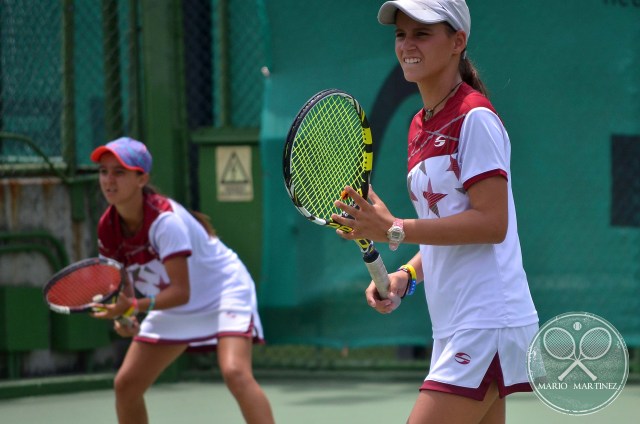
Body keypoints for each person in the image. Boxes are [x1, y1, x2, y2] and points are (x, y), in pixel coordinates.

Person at [331, 1, 539, 423]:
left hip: (486, 320)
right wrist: (405, 276)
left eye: (422, 33)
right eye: (400, 34)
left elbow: (492, 223)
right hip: (454, 323)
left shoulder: (474, 118)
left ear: (457, 42)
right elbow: (447, 230)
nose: (407, 44)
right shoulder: (420, 125)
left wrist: (393, 229)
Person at [89, 137, 274, 424]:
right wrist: (125, 317)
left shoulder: (165, 222)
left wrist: (134, 305)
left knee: (235, 372)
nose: (109, 180)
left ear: (142, 179)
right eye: (103, 171)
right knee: (126, 385)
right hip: (172, 299)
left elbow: (181, 292)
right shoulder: (107, 226)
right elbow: (122, 284)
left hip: (223, 290)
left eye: (119, 172)